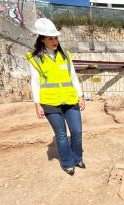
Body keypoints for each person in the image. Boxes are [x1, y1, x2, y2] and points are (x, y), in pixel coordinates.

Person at [26, 18, 85, 176]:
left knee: (77, 131)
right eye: (50, 38)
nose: (54, 41)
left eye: (56, 37)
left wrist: (81, 95)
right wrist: (37, 104)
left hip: (70, 99)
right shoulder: (35, 59)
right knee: (61, 134)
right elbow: (35, 83)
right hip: (50, 102)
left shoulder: (65, 56)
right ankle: (67, 163)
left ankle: (77, 157)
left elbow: (73, 77)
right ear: (42, 39)